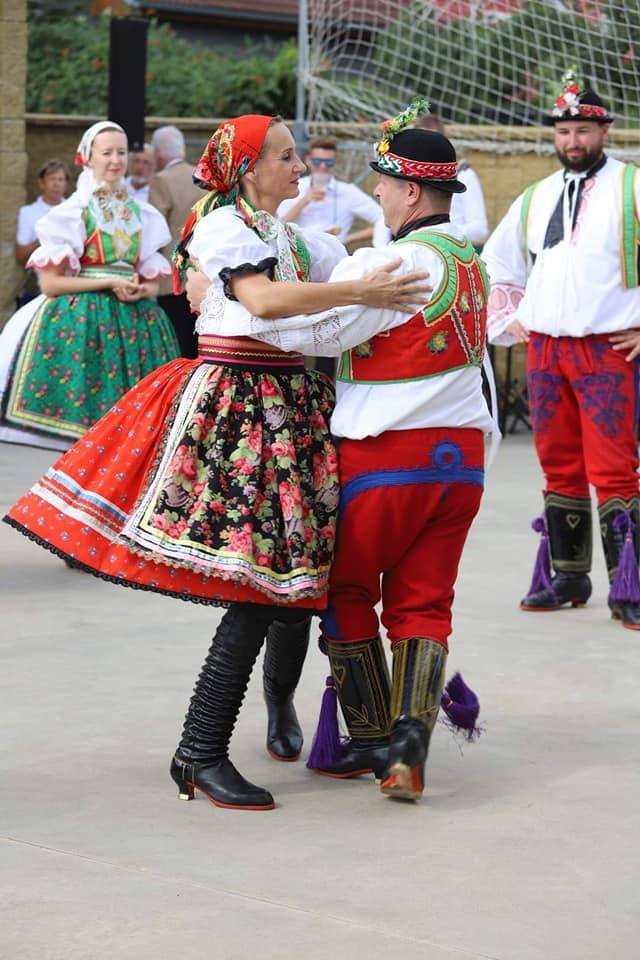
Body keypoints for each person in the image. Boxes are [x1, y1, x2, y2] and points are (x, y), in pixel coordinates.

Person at [4, 113, 430, 812]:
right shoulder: (222, 227)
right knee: (256, 587)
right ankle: (200, 751)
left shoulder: (292, 237)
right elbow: (262, 298)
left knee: (299, 582)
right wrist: (358, 293)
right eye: (286, 157)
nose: (300, 168)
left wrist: (421, 236)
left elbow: (362, 266)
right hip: (238, 409)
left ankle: (284, 713)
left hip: (293, 405)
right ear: (248, 168)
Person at [185, 99, 494, 803]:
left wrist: (216, 302)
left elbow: (312, 332)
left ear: (409, 191)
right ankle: (410, 745)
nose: (376, 193)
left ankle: (370, 736)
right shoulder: (470, 261)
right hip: (462, 461)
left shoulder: (393, 261)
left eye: (384, 183)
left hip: (387, 457)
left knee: (345, 590)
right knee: (425, 602)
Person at [482, 67, 640, 630]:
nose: (573, 141)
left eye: (583, 131)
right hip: (545, 351)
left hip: (607, 349)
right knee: (558, 466)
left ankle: (629, 586)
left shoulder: (633, 185)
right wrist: (511, 317)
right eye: (564, 131)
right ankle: (569, 577)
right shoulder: (537, 195)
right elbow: (497, 262)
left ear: (605, 131)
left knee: (615, 469)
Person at [0, 121, 179, 451]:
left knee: (135, 434)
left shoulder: (141, 213)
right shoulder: (74, 212)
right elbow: (51, 284)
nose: (116, 160)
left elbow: (153, 282)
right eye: (107, 152)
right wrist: (109, 281)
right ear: (87, 157)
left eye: (121, 152)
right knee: (84, 433)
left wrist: (144, 290)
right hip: (83, 326)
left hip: (137, 327)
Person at [373, 112, 489, 250]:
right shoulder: (400, 180)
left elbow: (479, 227)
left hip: (446, 247)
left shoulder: (464, 174)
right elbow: (385, 218)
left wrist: (440, 234)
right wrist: (383, 250)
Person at [148, 125, 203, 358]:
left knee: (176, 347)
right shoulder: (202, 178)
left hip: (174, 277)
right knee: (199, 345)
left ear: (158, 154)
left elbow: (155, 231)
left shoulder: (161, 180)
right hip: (203, 272)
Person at [277, 135, 383, 247]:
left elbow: (382, 218)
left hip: (332, 253)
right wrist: (304, 201)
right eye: (317, 161)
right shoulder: (296, 186)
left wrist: (349, 238)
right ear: (308, 160)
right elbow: (279, 225)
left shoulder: (347, 192)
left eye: (329, 162)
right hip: (299, 252)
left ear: (335, 162)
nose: (323, 166)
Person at [15, 159, 70, 307]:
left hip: (70, 284)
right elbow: (21, 255)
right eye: (52, 179)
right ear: (41, 183)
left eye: (60, 180)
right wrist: (45, 237)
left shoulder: (75, 211)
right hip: (38, 286)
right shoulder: (28, 212)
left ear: (66, 184)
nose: (56, 184)